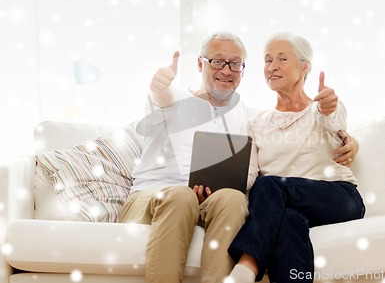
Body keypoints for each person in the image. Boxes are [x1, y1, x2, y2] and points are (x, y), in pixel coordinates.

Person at [118, 31, 360, 283]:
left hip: (215, 200)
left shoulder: (248, 116)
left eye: (235, 64)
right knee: (184, 196)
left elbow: (326, 120)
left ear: (243, 71)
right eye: (218, 61)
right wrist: (160, 87)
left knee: (233, 199)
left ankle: (239, 273)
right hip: (158, 195)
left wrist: (352, 142)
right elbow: (163, 101)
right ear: (200, 64)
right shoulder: (177, 97)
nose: (226, 70)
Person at [226, 32, 366, 283]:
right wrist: (216, 189)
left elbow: (334, 118)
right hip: (288, 206)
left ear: (304, 68)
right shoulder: (256, 123)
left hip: (338, 198)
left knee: (269, 184)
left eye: (282, 59)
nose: (272, 66)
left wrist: (328, 106)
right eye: (268, 60)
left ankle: (247, 265)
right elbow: (247, 175)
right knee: (289, 221)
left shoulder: (320, 109)